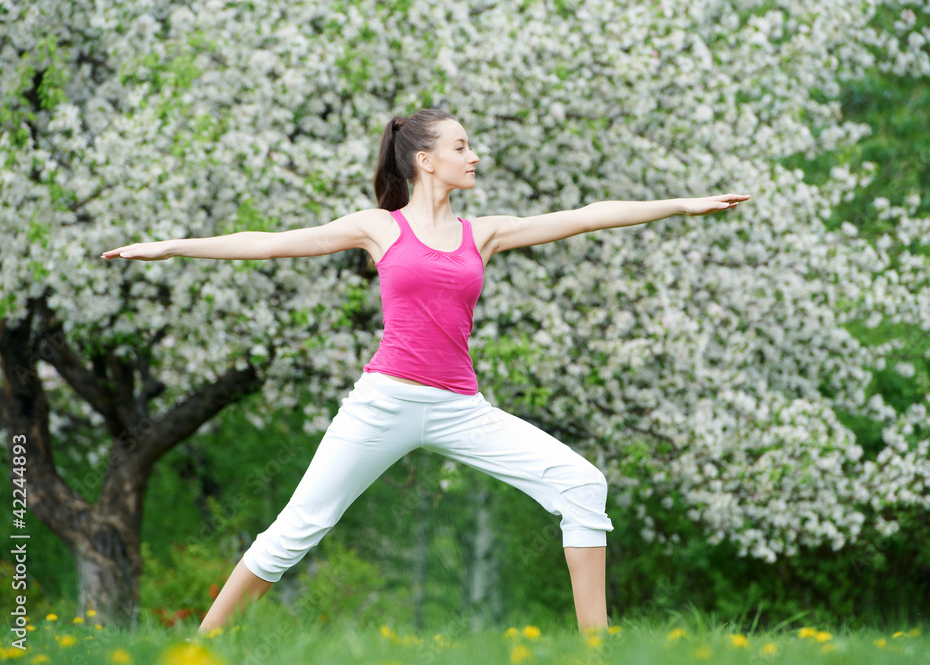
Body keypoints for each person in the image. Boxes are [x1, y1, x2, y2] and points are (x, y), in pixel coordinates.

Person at [102, 108, 749, 634]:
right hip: (383, 401)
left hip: (460, 407)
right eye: (462, 146)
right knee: (297, 528)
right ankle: (200, 649)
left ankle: (597, 653)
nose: (474, 157)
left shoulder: (483, 233)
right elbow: (268, 241)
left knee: (583, 484)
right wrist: (172, 246)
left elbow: (584, 216)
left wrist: (684, 204)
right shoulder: (378, 228)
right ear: (424, 159)